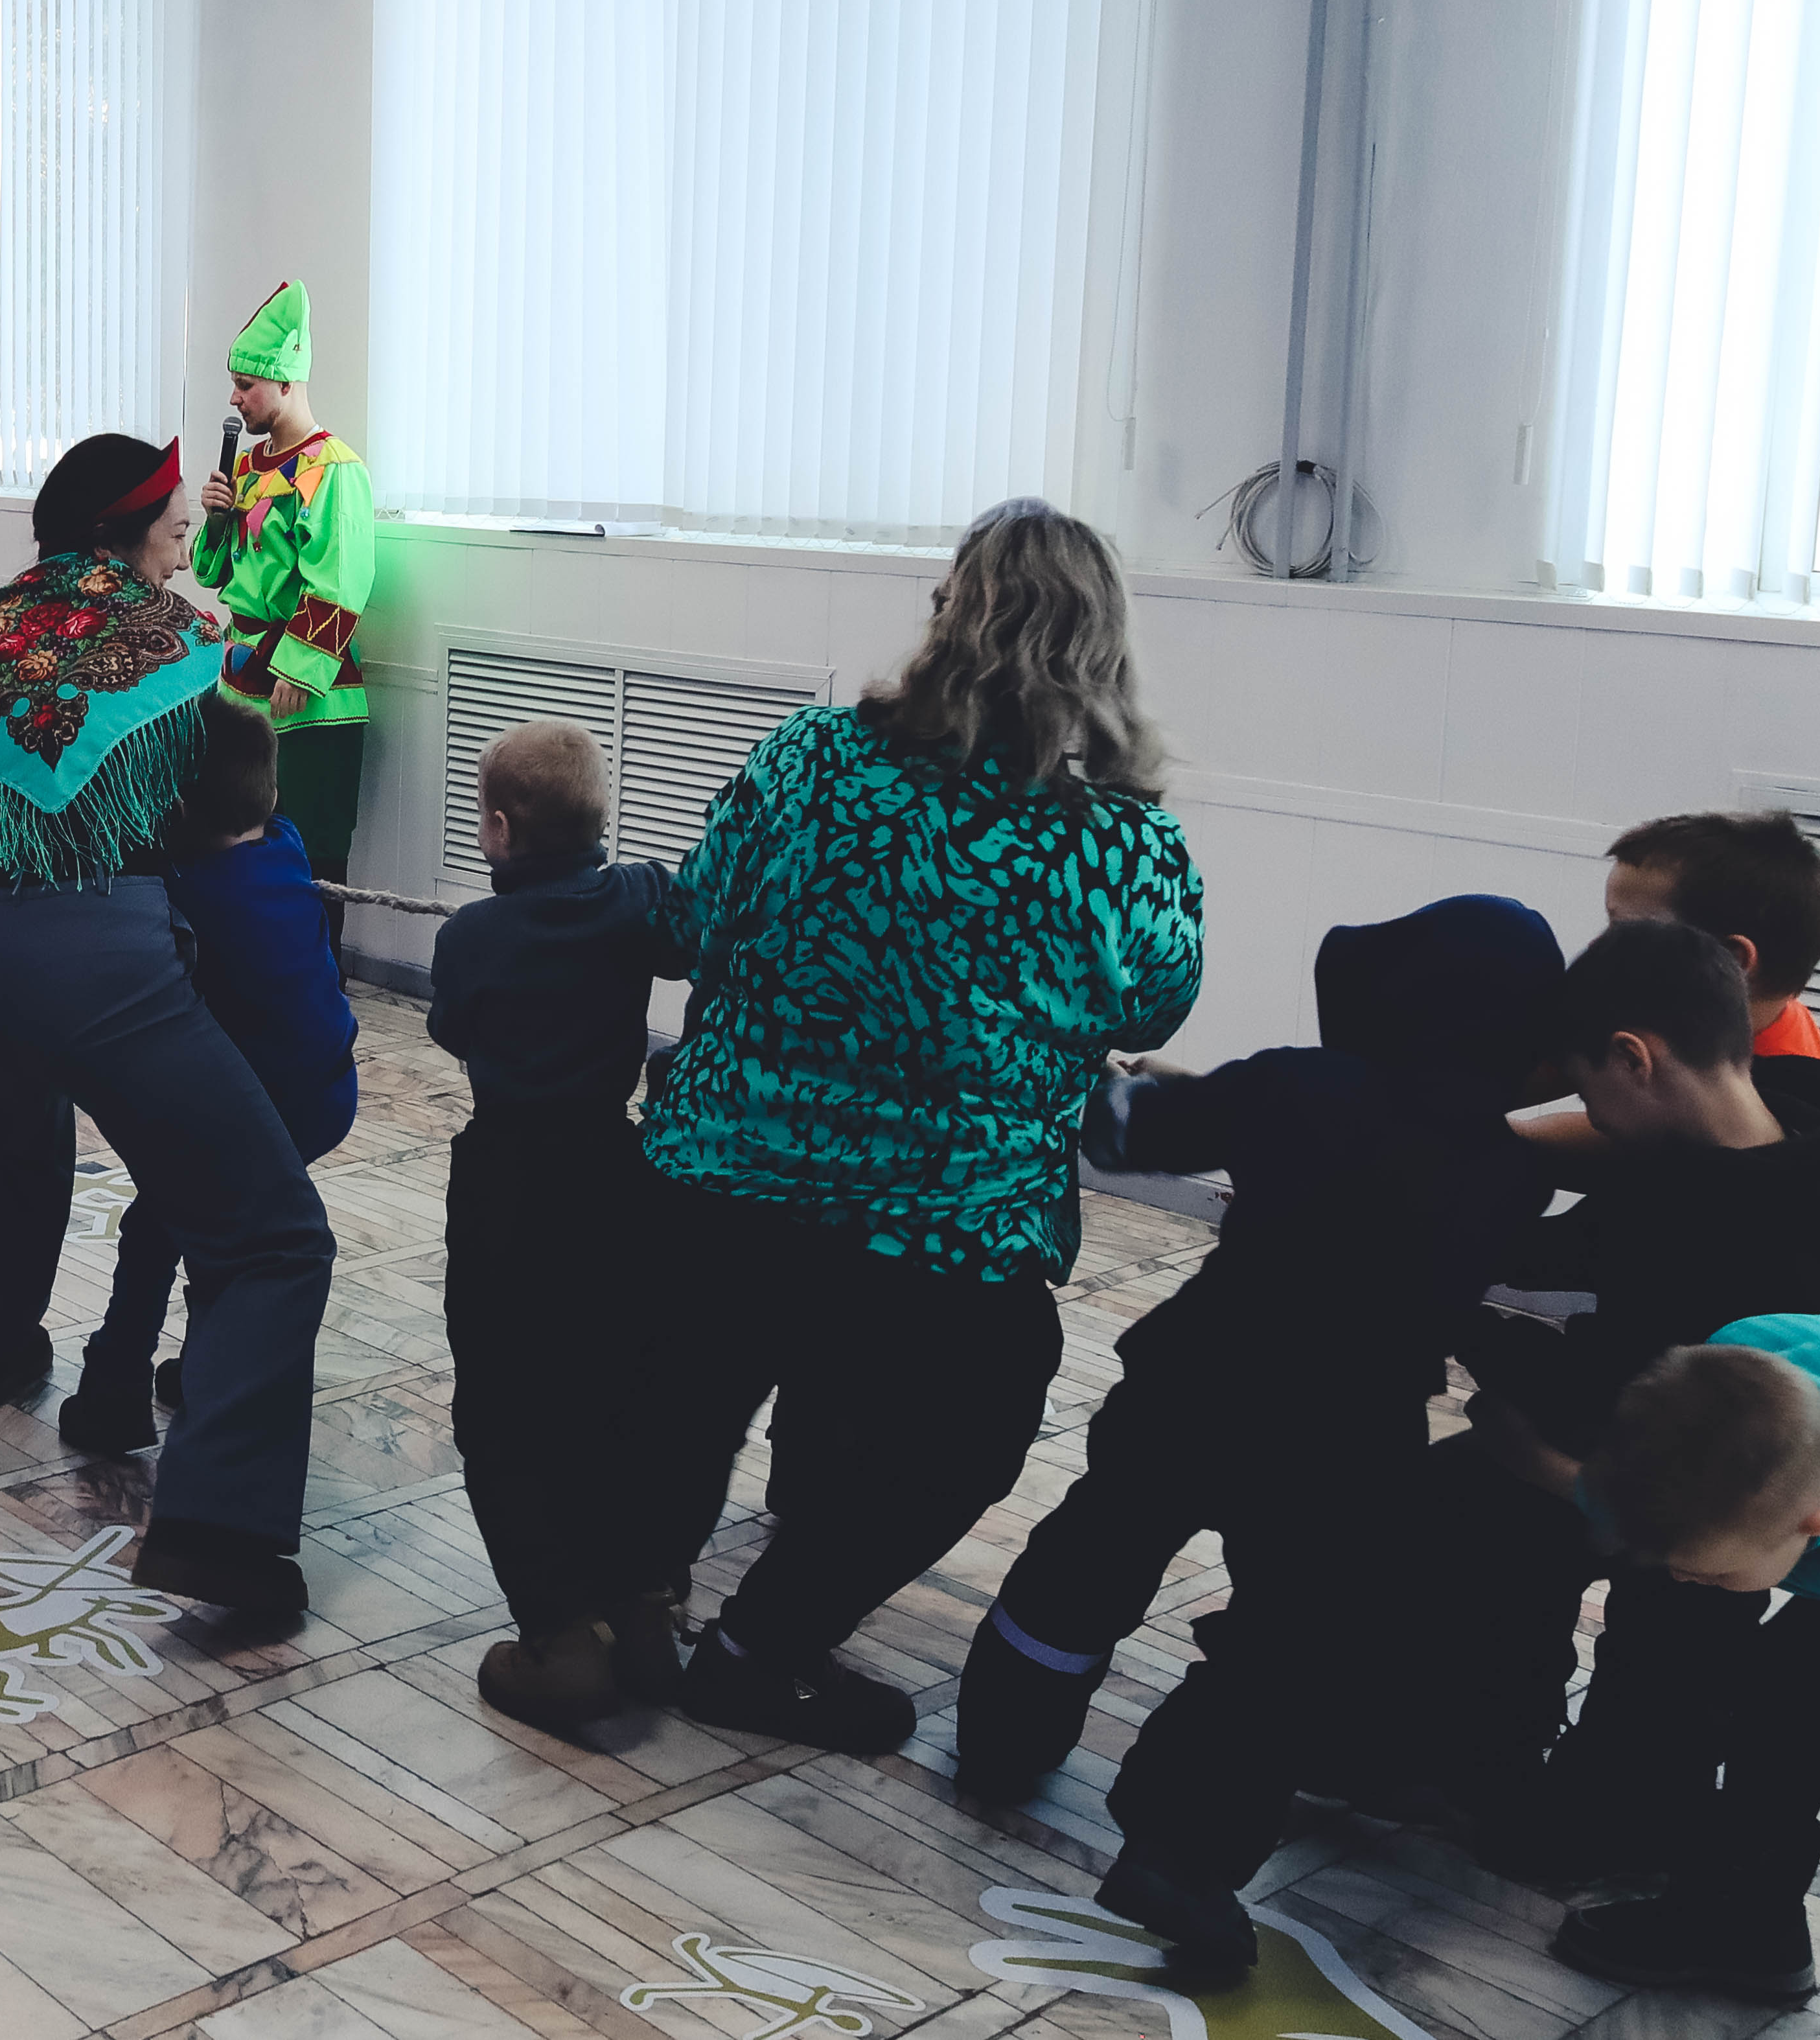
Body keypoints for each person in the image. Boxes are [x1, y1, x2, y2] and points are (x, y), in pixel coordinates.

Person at [627, 498, 1203, 1752]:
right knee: (970, 1430)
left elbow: (693, 923)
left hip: (722, 1177)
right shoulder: (1121, 844)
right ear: (1102, 648)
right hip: (945, 1234)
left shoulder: (810, 757)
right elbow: (1155, 1000)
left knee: (686, 1390)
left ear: (949, 614)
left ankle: (627, 1610)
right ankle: (759, 1650)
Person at [952, 896, 1566, 1984]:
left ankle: (1004, 1739)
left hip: (1196, 1380)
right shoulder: (1512, 1163)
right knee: (1293, 1640)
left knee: (1094, 1552)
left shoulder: (1299, 1083)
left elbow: (1125, 1134)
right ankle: (1182, 1851)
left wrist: (1125, 1081)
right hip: (1349, 1431)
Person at [0, 432, 338, 1616]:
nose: (184, 547)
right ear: (125, 528)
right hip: (96, 958)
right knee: (274, 1239)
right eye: (174, 527)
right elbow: (224, 801)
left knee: (16, 1125)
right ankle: (219, 1531)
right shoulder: (180, 641)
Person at [1396, 916, 1820, 1872]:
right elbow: (1580, 1257)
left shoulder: (1713, 1216)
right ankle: (1575, 1797)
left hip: (1688, 1478)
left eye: (1590, 1093)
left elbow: (1610, 1347)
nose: (1592, 1117)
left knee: (1626, 1612)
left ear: (1635, 1057)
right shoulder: (1812, 1123)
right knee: (1660, 1644)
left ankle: (1561, 1803)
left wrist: (1481, 1347)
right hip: (1696, 1456)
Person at [421, 721, 685, 1733]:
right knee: (610, 1386)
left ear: (497, 827)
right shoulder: (636, 900)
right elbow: (687, 930)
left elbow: (451, 1026)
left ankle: (559, 1636)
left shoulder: (469, 937)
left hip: (508, 1177)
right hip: (615, 1171)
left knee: (499, 1408)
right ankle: (639, 1608)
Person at [1544, 1322, 1820, 2000]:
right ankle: (1648, 1820)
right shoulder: (1708, 1396)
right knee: (1692, 1619)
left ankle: (1752, 1928)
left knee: (1780, 1700)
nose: (1686, 1576)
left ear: (1818, 1526)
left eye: (1711, 1570)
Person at [63, 690, 357, 1460]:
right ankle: (201, 1366)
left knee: (159, 1223)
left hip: (252, 1106)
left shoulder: (187, 893)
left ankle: (115, 1388)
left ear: (177, 807)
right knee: (225, 1221)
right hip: (322, 1091)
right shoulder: (287, 845)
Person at [1543, 811, 1820, 1278]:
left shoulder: (1774, 1090)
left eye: (1626, 929)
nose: (1598, 946)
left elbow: (1616, 1144)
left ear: (1732, 961)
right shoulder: (1747, 1019)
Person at [193, 281, 375, 900]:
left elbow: (342, 579)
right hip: (239, 680)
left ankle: (316, 957)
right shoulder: (245, 467)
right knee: (235, 839)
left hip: (305, 695)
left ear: (286, 383)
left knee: (311, 850)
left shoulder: (333, 468)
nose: (234, 398)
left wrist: (298, 668)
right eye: (234, 385)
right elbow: (213, 574)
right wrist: (217, 518)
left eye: (246, 385)